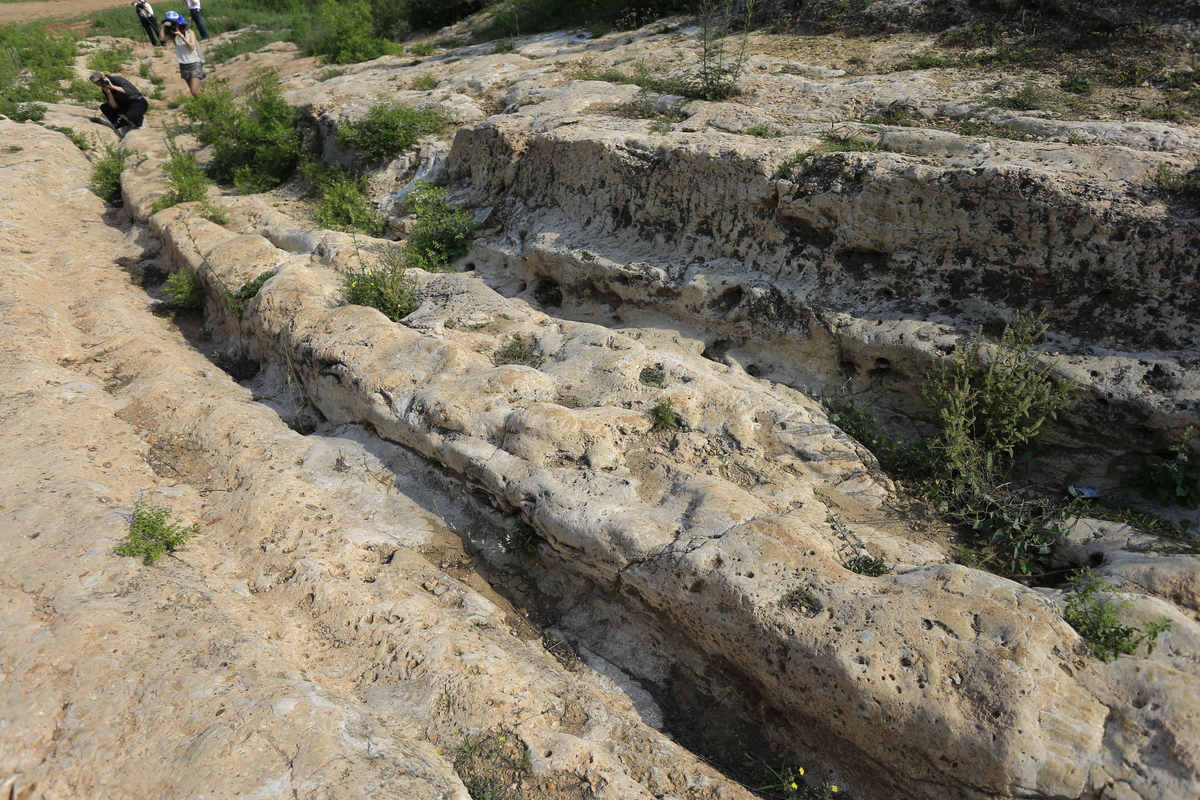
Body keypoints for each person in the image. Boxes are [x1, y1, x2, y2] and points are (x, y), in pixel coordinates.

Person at [89, 71, 148, 137]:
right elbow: (114, 106)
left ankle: (140, 121)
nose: (99, 84)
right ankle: (125, 125)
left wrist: (112, 86)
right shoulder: (105, 88)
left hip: (137, 102)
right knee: (104, 107)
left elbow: (129, 92)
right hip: (124, 105)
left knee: (131, 114)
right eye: (96, 83)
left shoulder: (117, 79)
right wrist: (109, 94)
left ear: (103, 77)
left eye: (99, 81)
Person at [161, 11, 205, 97]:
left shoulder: (189, 32)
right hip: (183, 64)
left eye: (175, 23)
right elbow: (162, 38)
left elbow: (192, 47)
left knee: (194, 91)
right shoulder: (173, 35)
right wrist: (163, 27)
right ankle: (204, 106)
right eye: (172, 23)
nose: (174, 25)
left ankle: (211, 103)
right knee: (194, 92)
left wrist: (181, 35)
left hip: (194, 63)